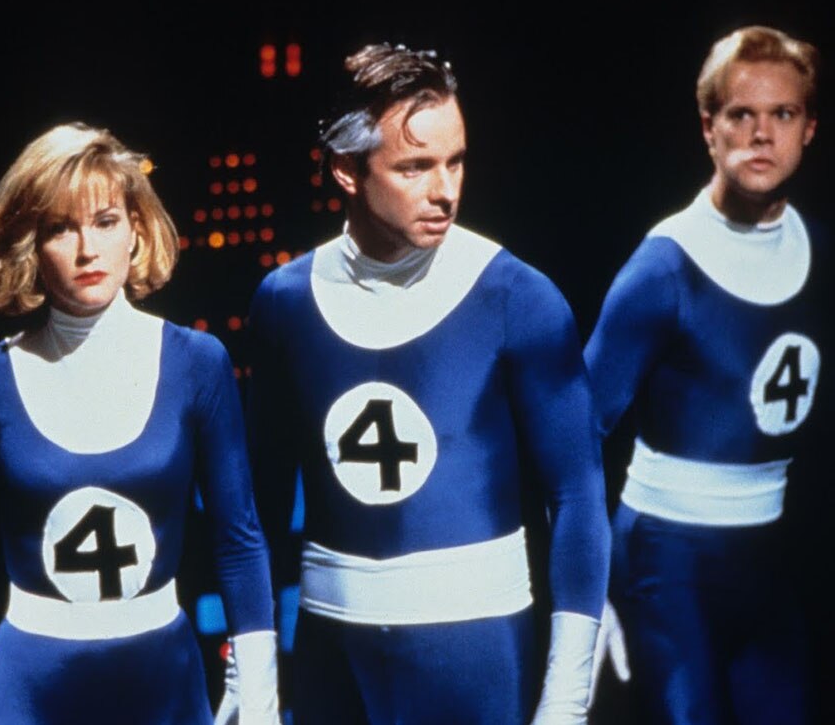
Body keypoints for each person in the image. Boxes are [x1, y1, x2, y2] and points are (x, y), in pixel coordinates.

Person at [584, 25, 835, 725]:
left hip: (764, 557)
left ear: (809, 129)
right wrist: (586, 586)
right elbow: (572, 432)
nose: (762, 134)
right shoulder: (664, 268)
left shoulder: (814, 246)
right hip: (667, 563)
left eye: (782, 114)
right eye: (741, 114)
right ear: (709, 128)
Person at [247, 44, 609, 724]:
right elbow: (257, 514)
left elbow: (579, 496)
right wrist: (253, 682)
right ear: (347, 169)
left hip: (480, 659)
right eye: (415, 167)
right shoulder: (284, 304)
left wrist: (566, 698)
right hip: (333, 664)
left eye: (456, 161)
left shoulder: (518, 299)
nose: (446, 191)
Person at [0, 123, 280, 725]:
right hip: (29, 690)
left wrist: (260, 706)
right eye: (60, 228)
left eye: (105, 222)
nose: (87, 250)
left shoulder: (198, 363)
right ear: (30, 243)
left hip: (163, 683)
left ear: (136, 229)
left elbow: (240, 543)